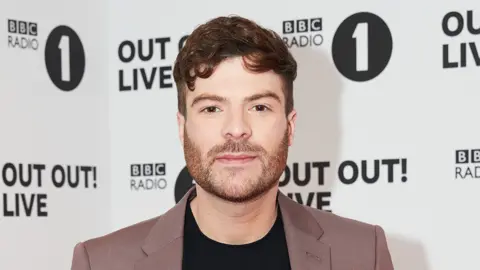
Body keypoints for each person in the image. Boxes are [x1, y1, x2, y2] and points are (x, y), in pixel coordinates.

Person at [71, 15, 394, 270]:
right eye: (212, 108)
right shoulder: (101, 263)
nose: (237, 129)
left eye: (259, 107)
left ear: (290, 127)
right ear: (182, 128)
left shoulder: (364, 254)